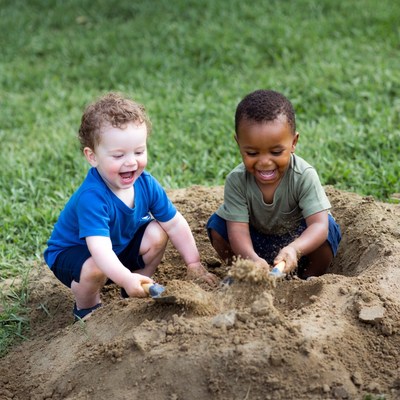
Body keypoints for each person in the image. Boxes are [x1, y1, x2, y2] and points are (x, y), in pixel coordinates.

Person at [44, 92, 218, 320]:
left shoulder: (146, 184)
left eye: (139, 151)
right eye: (118, 155)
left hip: (116, 246)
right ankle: (87, 308)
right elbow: (100, 250)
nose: (131, 162)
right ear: (92, 156)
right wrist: (123, 276)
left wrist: (194, 263)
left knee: (158, 231)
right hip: (74, 253)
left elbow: (175, 224)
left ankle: (136, 285)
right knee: (95, 267)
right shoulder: (92, 197)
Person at [207, 89, 341, 279]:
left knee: (328, 229)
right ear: (239, 144)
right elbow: (237, 231)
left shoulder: (303, 175)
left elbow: (318, 226)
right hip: (256, 241)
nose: (264, 162)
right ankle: (247, 274)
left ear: (293, 142)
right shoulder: (237, 181)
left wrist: (295, 249)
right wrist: (251, 258)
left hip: (298, 241)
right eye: (252, 153)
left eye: (276, 152)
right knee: (217, 226)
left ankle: (306, 279)